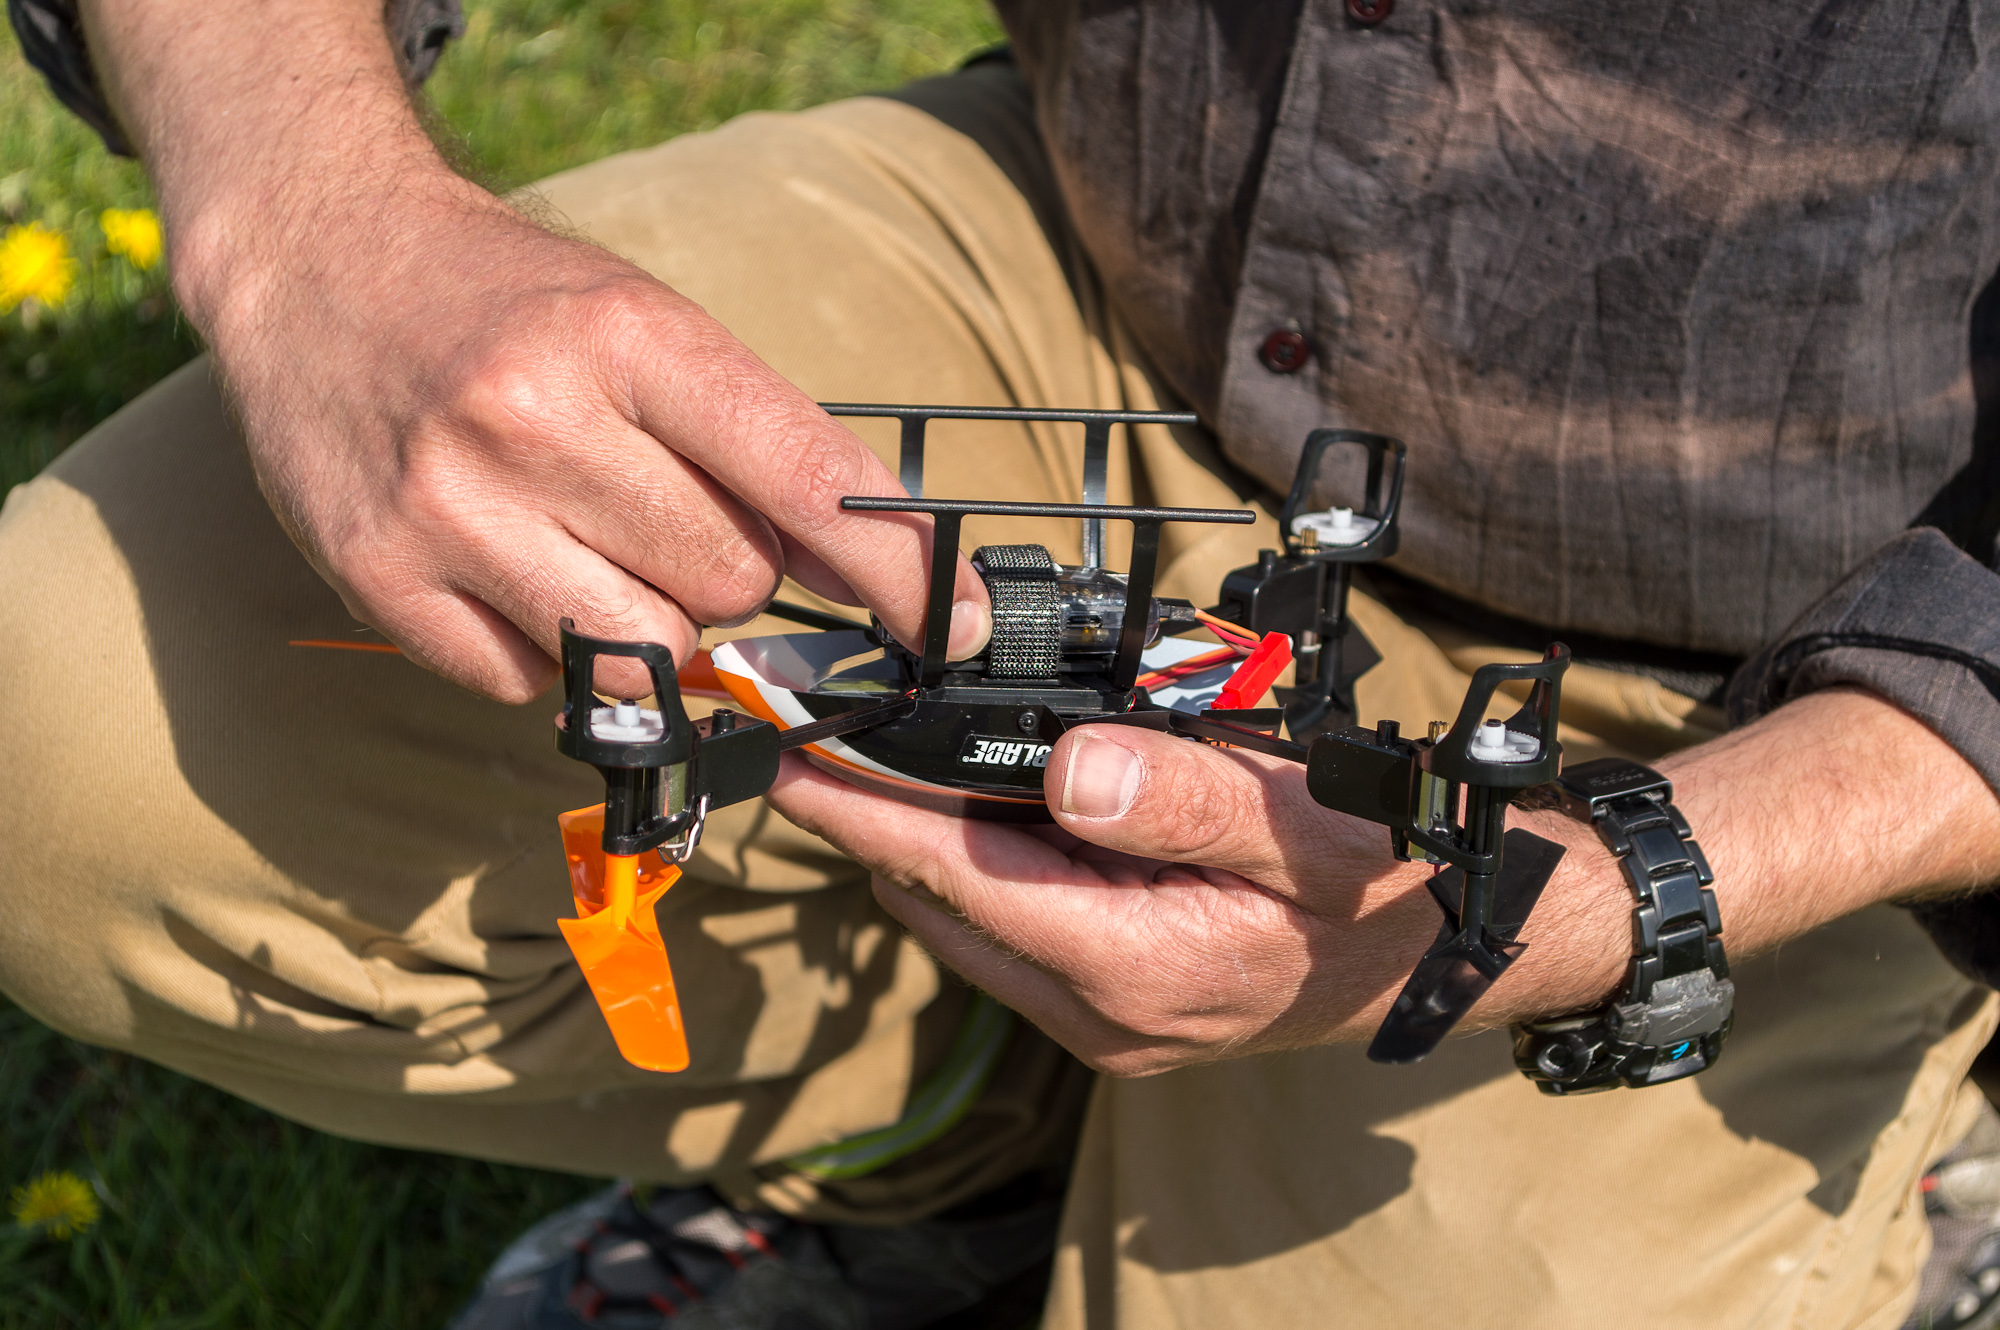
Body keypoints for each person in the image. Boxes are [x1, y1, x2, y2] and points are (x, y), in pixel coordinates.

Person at [7, 1, 2000, 1327]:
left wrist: (1641, 885)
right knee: (67, 729)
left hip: (1787, 650)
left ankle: (1932, 1110)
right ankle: (961, 1162)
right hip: (1118, 286)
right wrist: (309, 212)